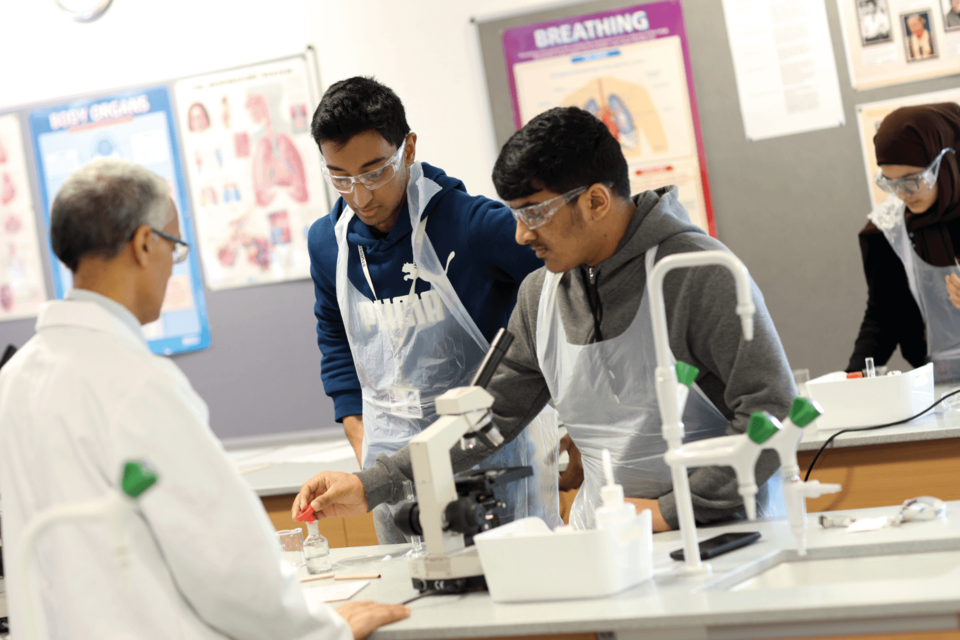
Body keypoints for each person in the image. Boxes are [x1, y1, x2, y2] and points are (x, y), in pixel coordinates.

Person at [293, 106, 796, 532]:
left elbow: (771, 414)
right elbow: (483, 421)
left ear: (595, 200)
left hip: (722, 536)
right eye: (514, 214)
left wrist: (671, 511)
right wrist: (369, 484)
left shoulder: (698, 274)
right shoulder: (541, 295)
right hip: (606, 538)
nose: (519, 236)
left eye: (533, 213)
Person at [0, 159, 408, 640]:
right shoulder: (134, 382)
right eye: (174, 248)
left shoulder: (15, 379)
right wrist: (323, 629)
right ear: (145, 244)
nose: (172, 269)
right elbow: (227, 562)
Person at [302, 77, 561, 543]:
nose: (361, 197)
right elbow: (335, 333)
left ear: (409, 148)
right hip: (389, 466)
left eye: (375, 171)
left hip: (492, 460)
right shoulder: (328, 245)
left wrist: (574, 412)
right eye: (340, 178)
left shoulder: (470, 225)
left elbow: (562, 280)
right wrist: (360, 433)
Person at [848, 104, 960, 379]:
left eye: (912, 180)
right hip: (940, 381)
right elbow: (884, 313)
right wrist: (853, 377)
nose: (902, 194)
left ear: (946, 163)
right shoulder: (888, 228)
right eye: (890, 183)